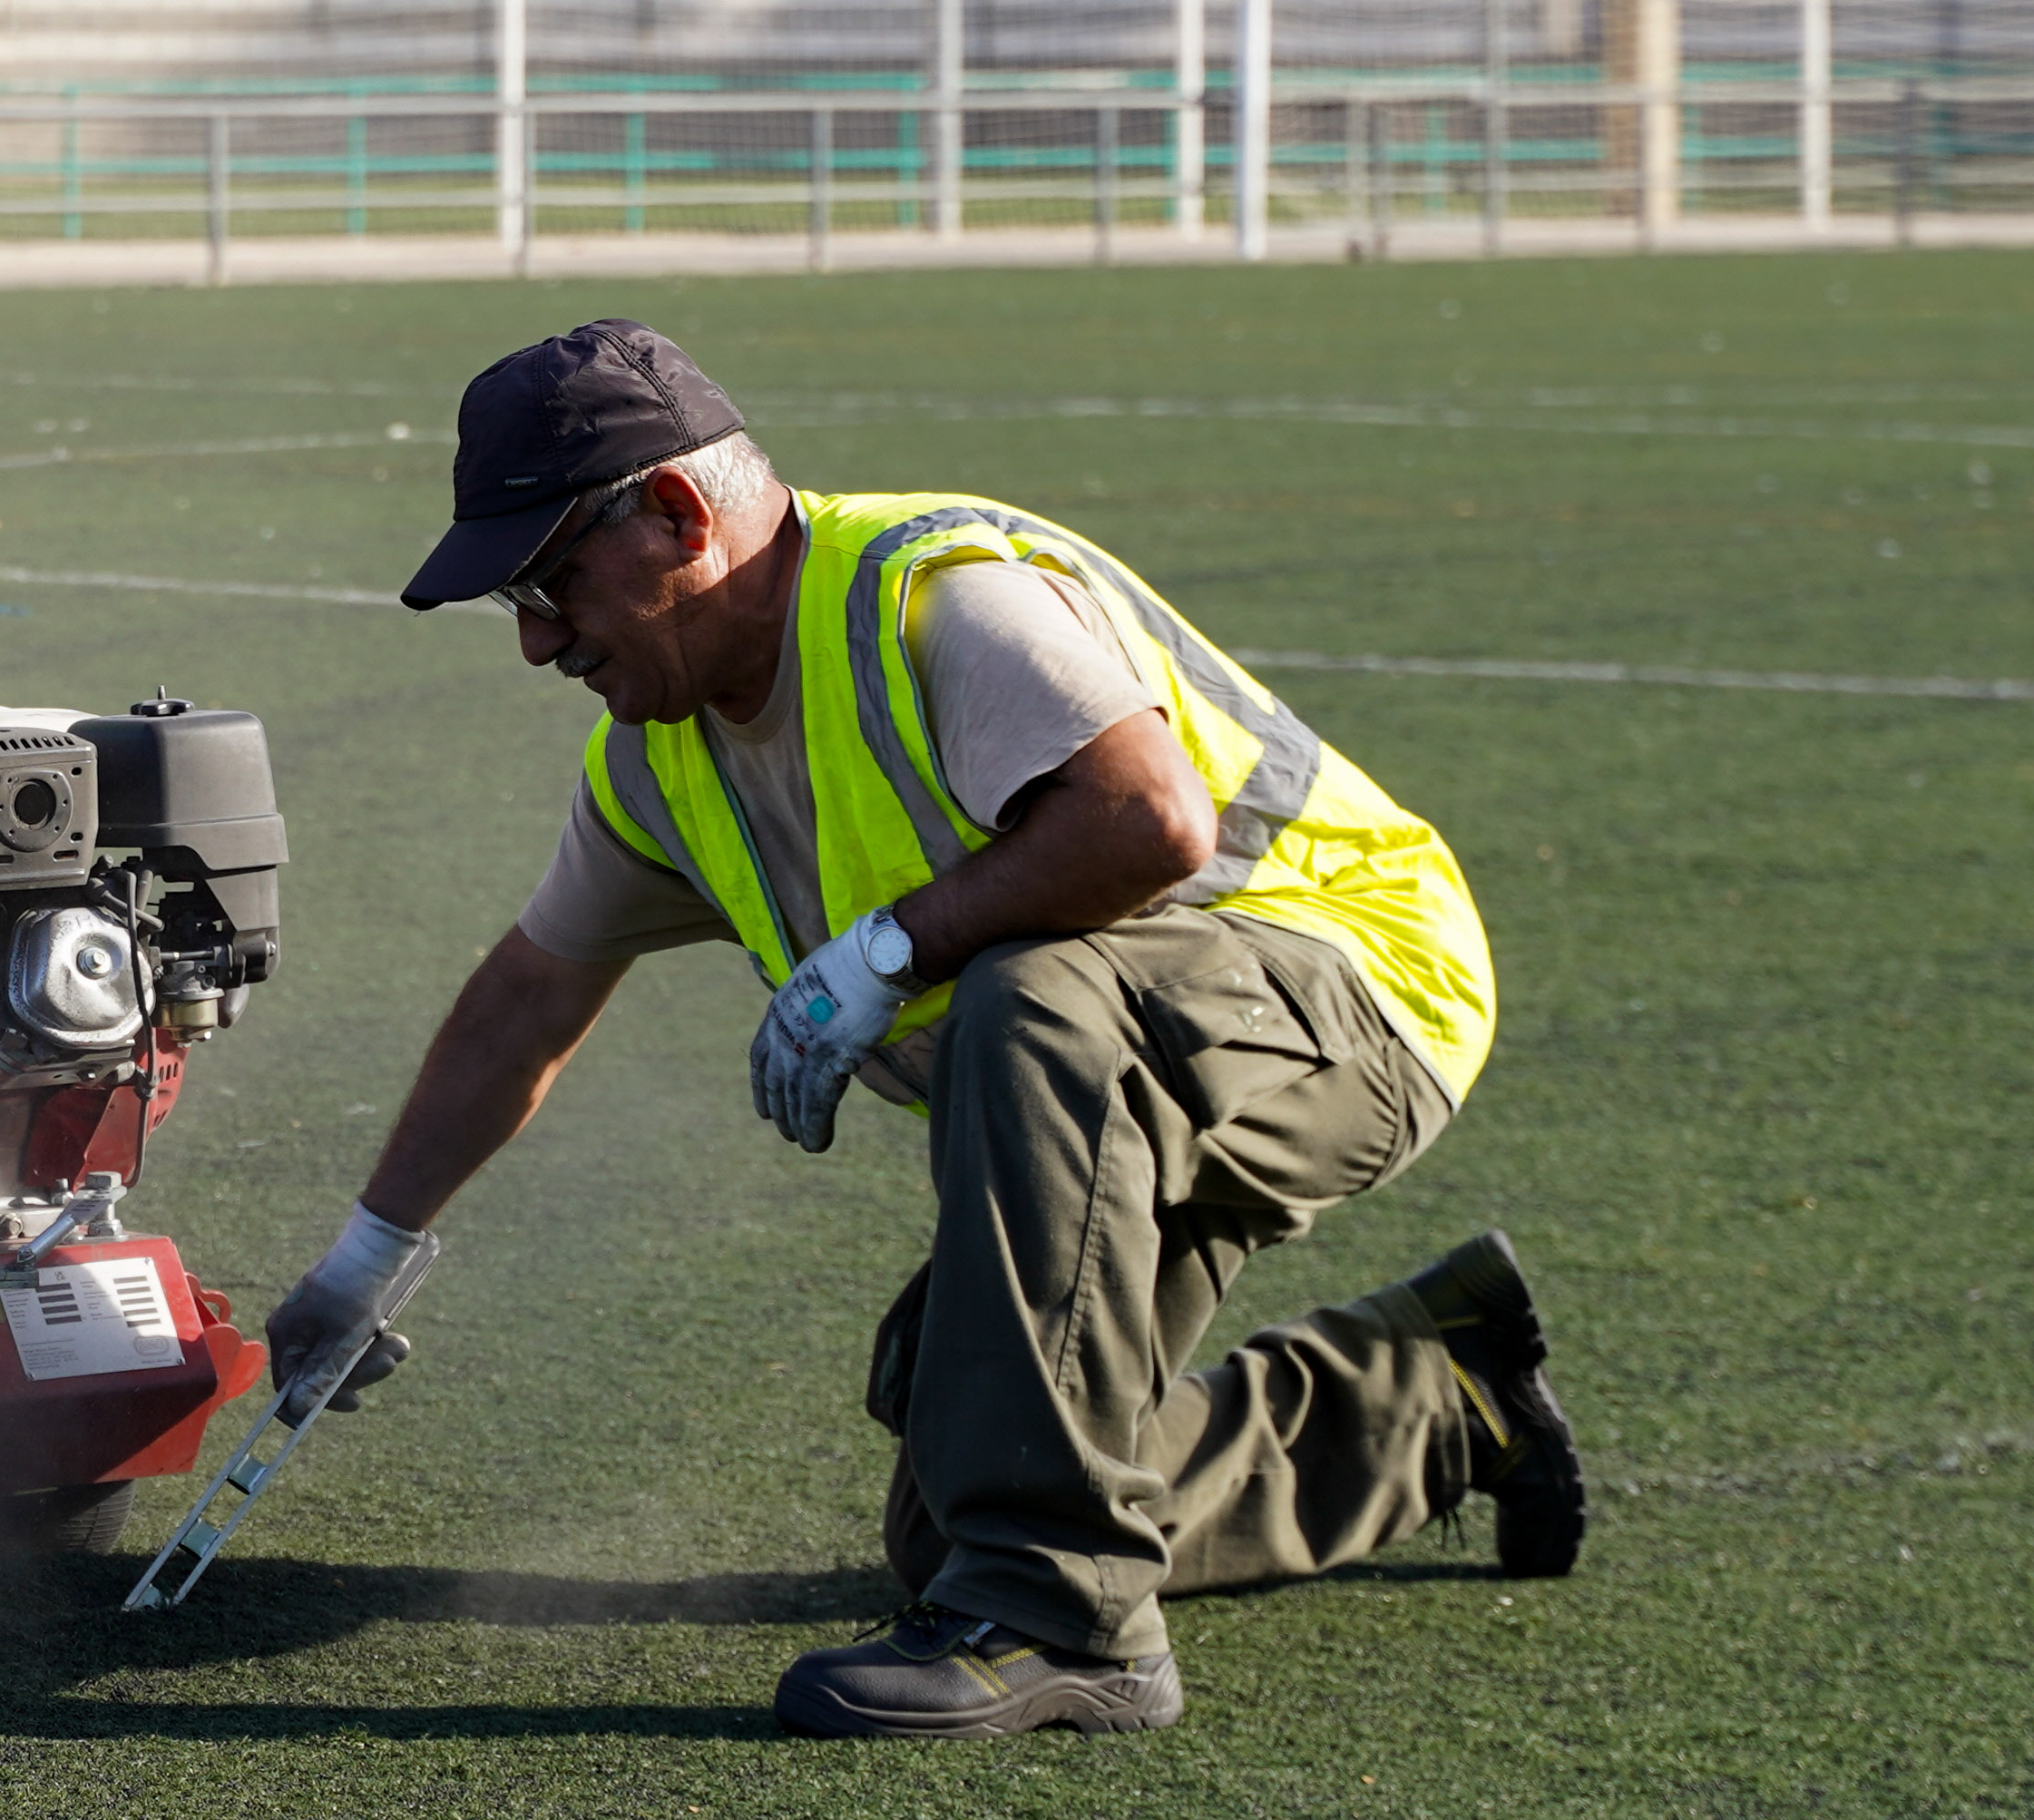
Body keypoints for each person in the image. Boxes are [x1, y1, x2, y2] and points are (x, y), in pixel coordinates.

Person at [266, 321, 1582, 1737]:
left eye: (547, 581)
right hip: (1135, 1073)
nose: (534, 641)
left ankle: (1065, 1625)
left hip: (1356, 993)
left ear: (677, 515)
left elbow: (1147, 820)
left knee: (1029, 1007)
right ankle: (1439, 1398)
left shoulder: (933, 599)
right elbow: (529, 996)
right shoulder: (657, 759)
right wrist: (362, 1262)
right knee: (962, 1501)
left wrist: (887, 951)